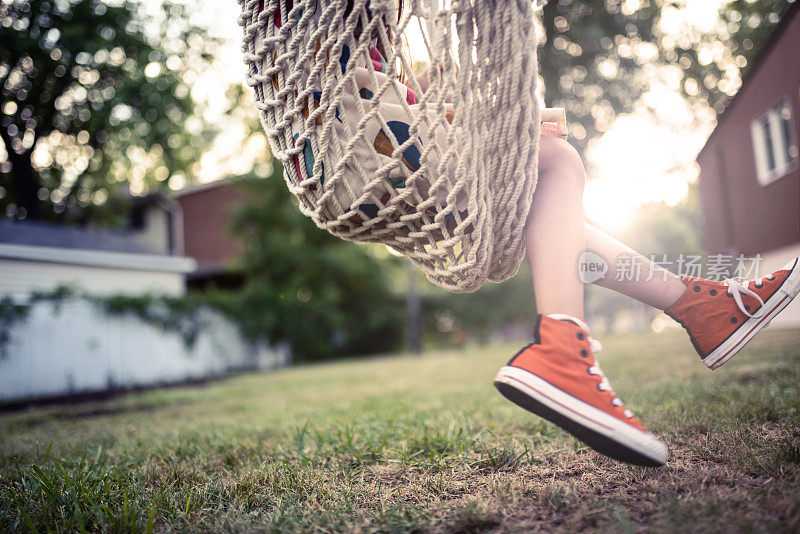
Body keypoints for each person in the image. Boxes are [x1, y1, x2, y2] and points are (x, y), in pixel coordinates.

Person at [254, 0, 800, 467]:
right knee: (556, 163)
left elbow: (397, 97)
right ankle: (562, 352)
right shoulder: (328, 32)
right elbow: (369, 100)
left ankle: (704, 309)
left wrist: (479, 111)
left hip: (352, 152)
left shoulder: (348, 41)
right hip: (361, 147)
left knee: (548, 202)